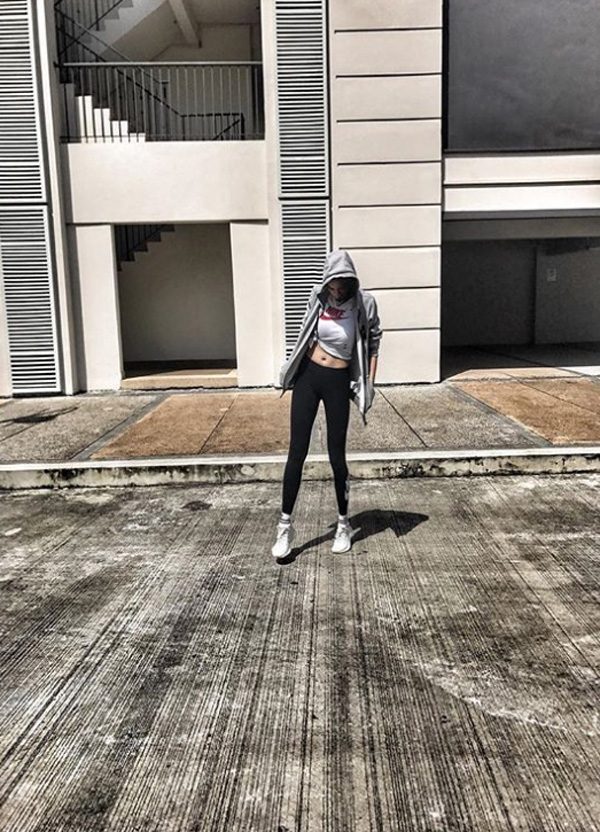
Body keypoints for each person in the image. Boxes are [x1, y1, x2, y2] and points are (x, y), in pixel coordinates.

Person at [272, 249, 382, 561]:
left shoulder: (364, 303)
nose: (337, 289)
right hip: (309, 376)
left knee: (336, 455)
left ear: (351, 280)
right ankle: (284, 527)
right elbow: (306, 330)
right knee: (297, 452)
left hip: (337, 381)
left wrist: (369, 383)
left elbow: (374, 342)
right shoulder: (317, 296)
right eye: (332, 284)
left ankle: (344, 525)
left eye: (342, 284)